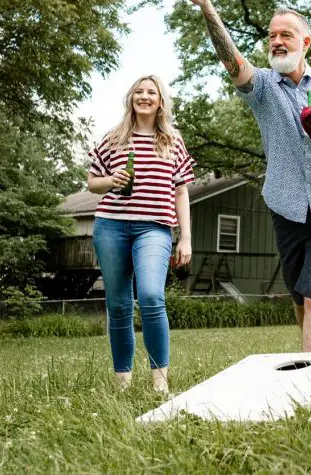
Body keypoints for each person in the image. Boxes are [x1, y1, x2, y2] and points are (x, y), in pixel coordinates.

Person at [168, 0, 311, 353]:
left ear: (306, 42)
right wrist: (207, 7)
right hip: (287, 207)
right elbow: (233, 62)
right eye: (272, 36)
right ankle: (310, 362)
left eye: (286, 35)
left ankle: (309, 377)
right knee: (300, 296)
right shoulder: (263, 86)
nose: (277, 42)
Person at [87, 75, 195, 393]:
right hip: (111, 226)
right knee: (119, 304)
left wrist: (184, 237)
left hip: (155, 227)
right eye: (139, 91)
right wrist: (111, 180)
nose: (144, 96)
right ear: (131, 98)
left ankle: (160, 382)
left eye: (151, 92)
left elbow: (181, 192)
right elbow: (93, 182)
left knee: (150, 295)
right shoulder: (114, 138)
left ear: (161, 101)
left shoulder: (172, 141)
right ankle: (123, 382)